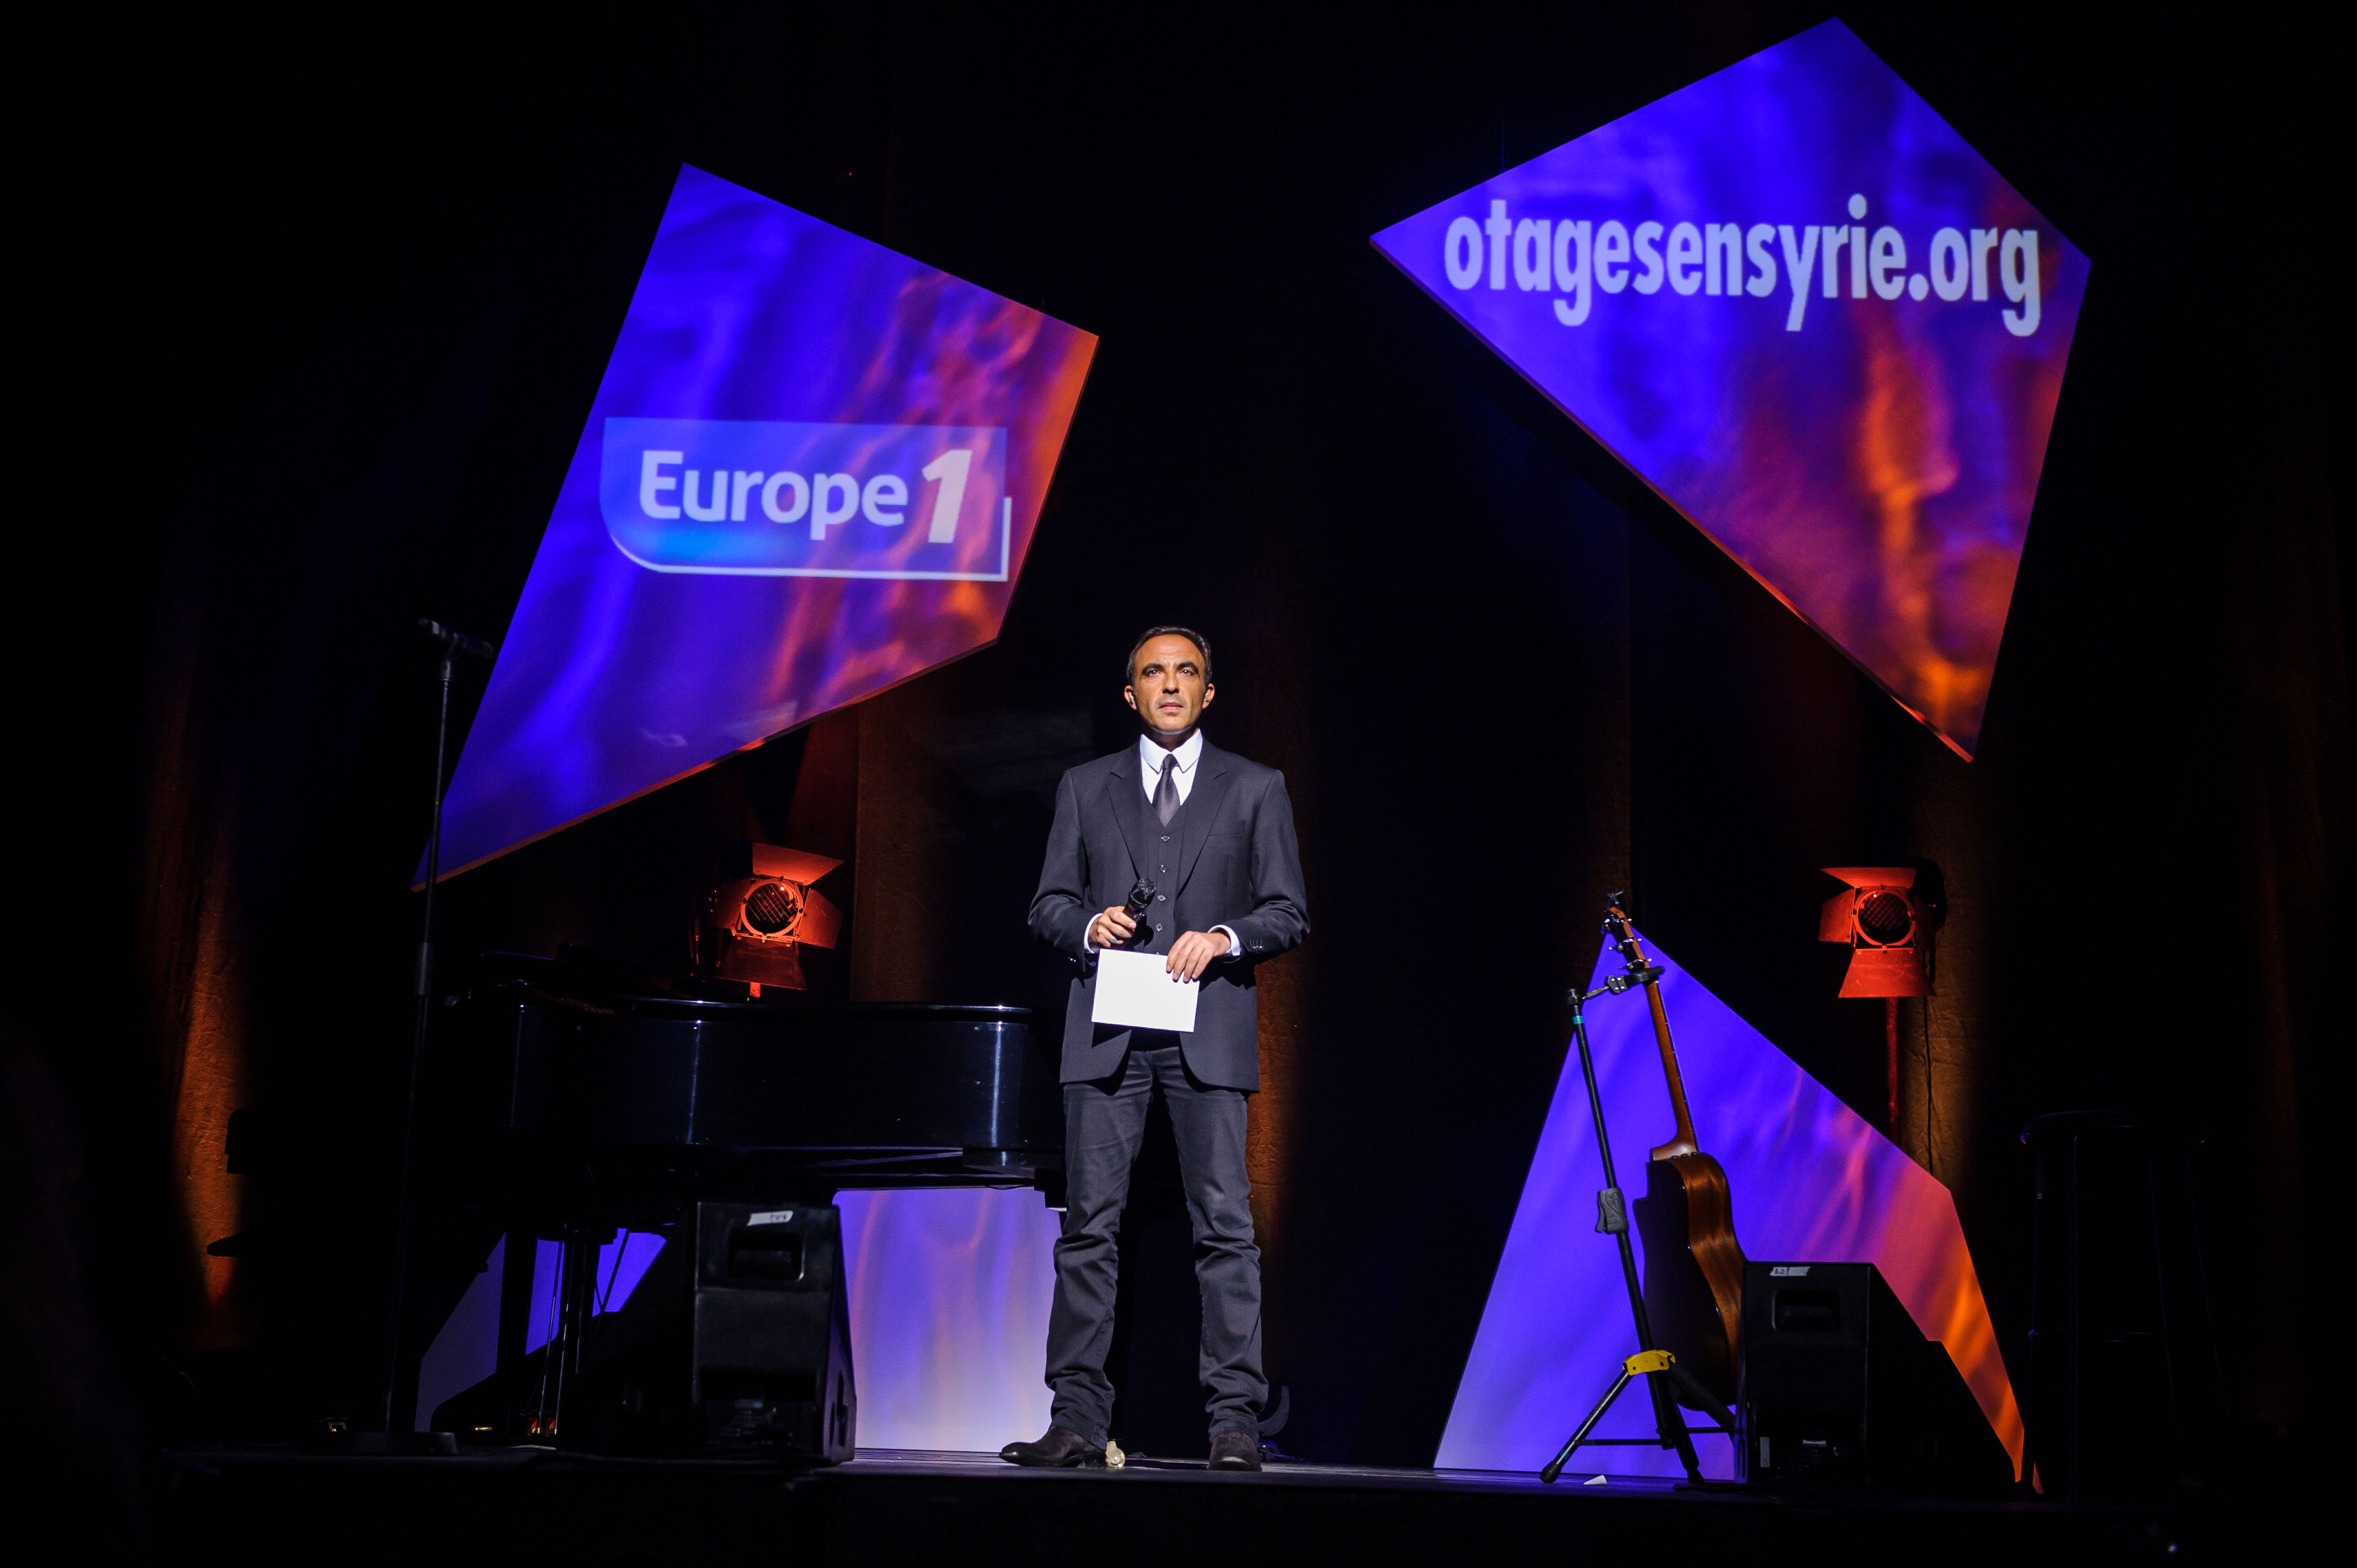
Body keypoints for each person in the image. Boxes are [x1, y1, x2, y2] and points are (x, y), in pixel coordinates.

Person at [1000, 626, 1309, 1472]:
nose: (1170, 686)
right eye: (1152, 673)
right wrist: (1085, 924)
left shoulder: (1256, 787)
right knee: (1089, 1229)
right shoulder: (1084, 786)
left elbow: (1288, 911)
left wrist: (1224, 937)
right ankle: (1074, 1418)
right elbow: (1048, 902)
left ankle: (1235, 1422)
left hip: (1206, 1031)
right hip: (1109, 1035)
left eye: (1186, 673)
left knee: (1225, 1228)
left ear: (1209, 692)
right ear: (1129, 692)